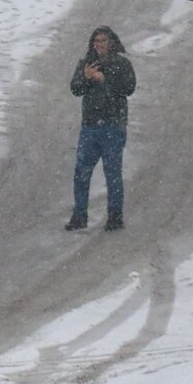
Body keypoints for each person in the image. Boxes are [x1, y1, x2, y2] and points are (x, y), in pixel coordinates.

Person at [67, 25, 137, 232]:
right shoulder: (86, 63)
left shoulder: (122, 64)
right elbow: (75, 89)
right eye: (96, 41)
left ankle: (115, 216)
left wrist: (105, 80)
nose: (99, 45)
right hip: (90, 126)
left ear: (112, 42)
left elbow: (128, 88)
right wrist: (86, 77)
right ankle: (80, 216)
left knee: (112, 172)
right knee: (81, 172)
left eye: (103, 40)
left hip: (113, 126)